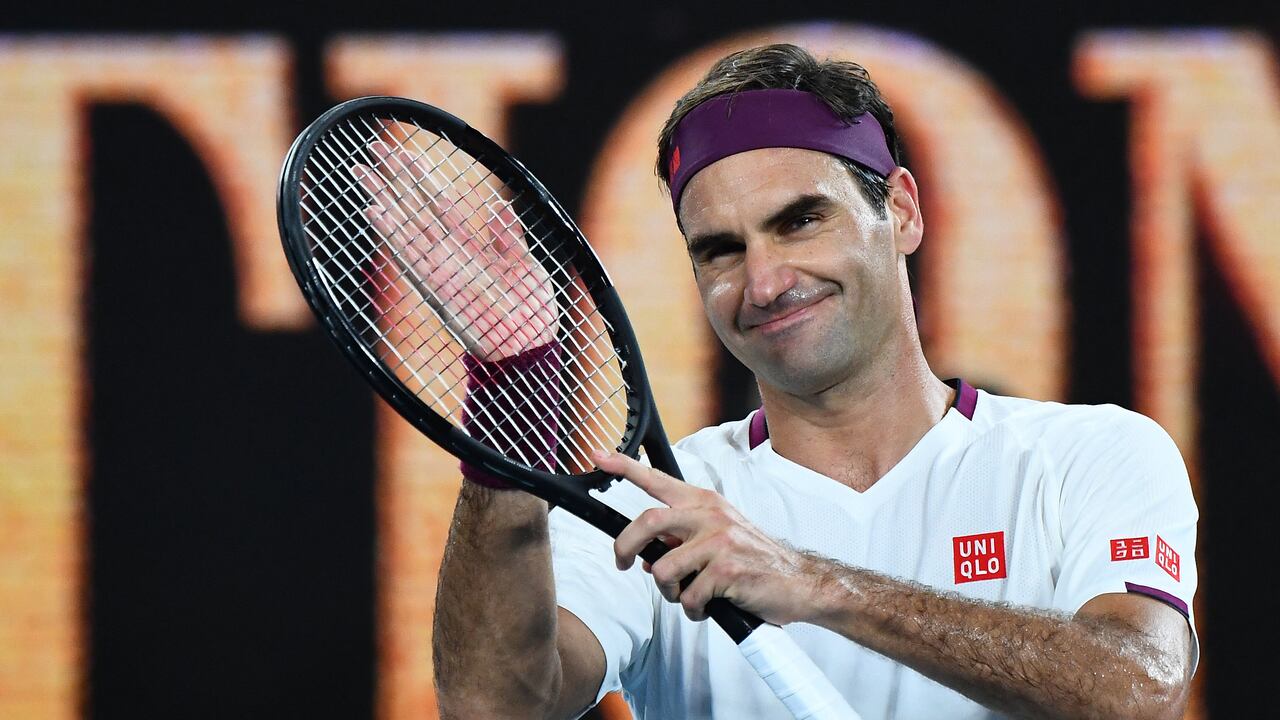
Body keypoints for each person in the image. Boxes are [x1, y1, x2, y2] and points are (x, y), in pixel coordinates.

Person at [430, 43, 1198, 719]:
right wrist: (508, 390)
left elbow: (1137, 691)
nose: (763, 282)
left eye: (800, 221)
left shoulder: (1094, 454)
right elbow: (493, 709)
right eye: (721, 249)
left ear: (900, 211)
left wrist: (812, 583)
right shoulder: (652, 503)